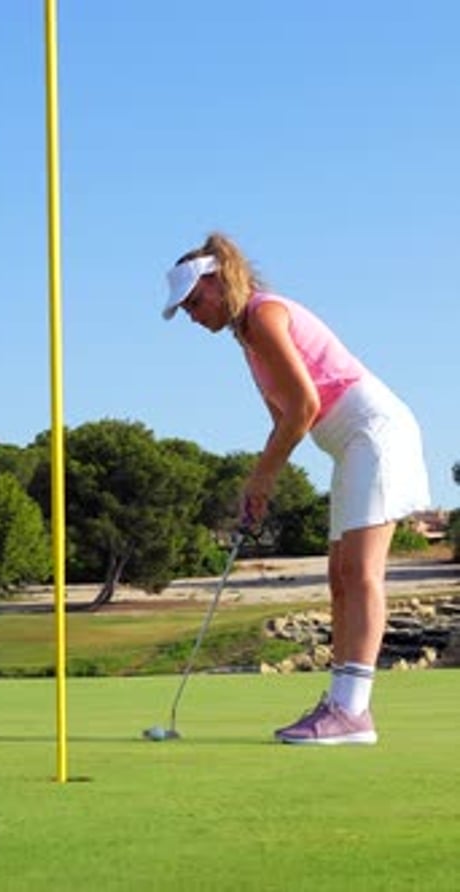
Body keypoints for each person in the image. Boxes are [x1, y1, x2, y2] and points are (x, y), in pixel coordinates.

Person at [162, 232, 430, 745]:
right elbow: (285, 419)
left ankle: (353, 713)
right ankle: (341, 704)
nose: (193, 316)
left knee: (360, 571)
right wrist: (261, 483)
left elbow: (305, 407)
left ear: (219, 283)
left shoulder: (264, 315)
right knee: (338, 575)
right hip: (350, 444)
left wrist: (262, 473)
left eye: (195, 302)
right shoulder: (247, 338)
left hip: (374, 433)